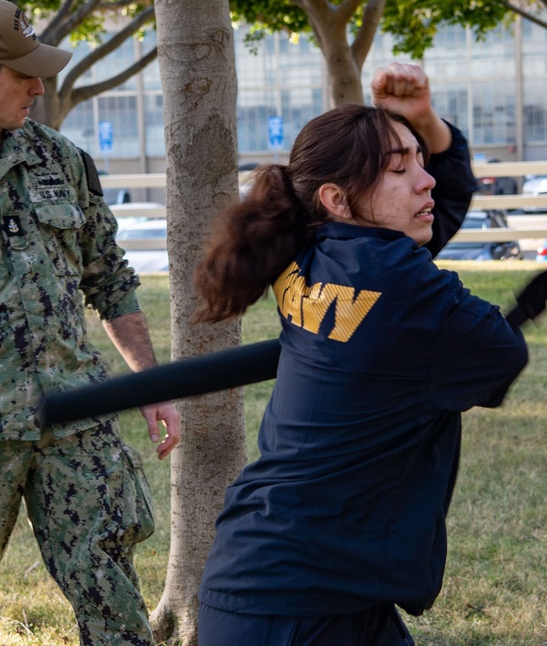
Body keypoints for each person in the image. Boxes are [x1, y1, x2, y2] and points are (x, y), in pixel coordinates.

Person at [193, 62, 528, 646]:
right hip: (292, 605)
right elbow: (499, 352)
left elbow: (423, 225)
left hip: (292, 575)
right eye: (401, 168)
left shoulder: (311, 246)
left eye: (422, 160)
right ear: (337, 200)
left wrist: (421, 120)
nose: (426, 180)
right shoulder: (395, 283)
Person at [0, 0, 181, 646]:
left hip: (73, 415)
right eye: (21, 72)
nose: (37, 86)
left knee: (113, 597)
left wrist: (148, 383)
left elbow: (108, 275)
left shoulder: (62, 160)